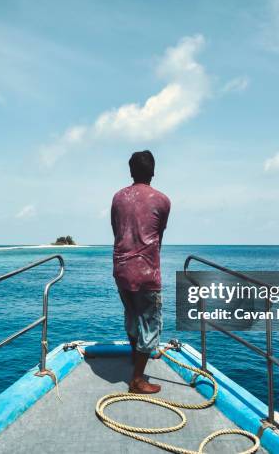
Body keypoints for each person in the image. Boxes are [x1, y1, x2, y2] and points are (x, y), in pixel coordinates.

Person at [110, 150, 171, 394]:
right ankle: (137, 379)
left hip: (121, 269)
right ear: (153, 172)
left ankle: (135, 357)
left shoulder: (117, 198)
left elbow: (117, 230)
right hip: (146, 272)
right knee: (151, 323)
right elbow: (159, 236)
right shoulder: (162, 200)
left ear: (131, 171)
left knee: (132, 315)